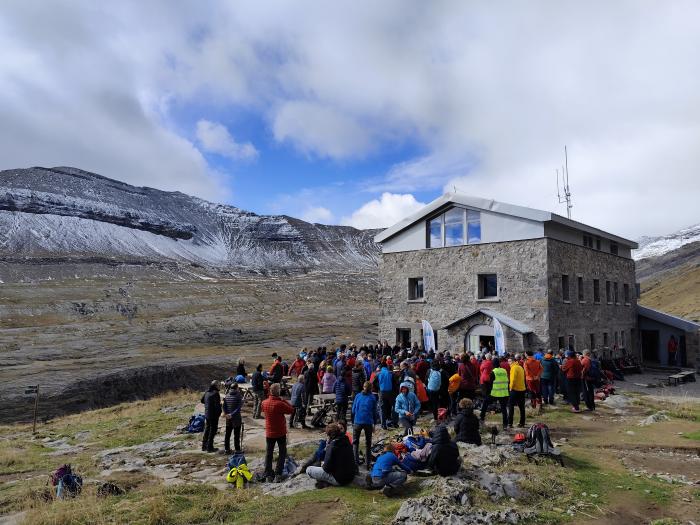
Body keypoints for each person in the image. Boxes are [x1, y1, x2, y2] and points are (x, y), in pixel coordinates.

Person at [261, 383, 294, 482]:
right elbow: (291, 410)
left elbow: (263, 411)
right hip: (280, 432)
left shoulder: (264, 402)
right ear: (278, 392)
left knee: (269, 453)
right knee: (282, 452)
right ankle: (278, 474)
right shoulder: (280, 403)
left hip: (269, 432)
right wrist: (283, 399)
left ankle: (268, 474)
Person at [305, 423, 356, 487]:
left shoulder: (332, 445)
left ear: (330, 435)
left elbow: (326, 468)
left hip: (340, 480)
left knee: (309, 469)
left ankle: (327, 482)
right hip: (350, 476)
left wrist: (327, 446)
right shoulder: (346, 439)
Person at [351, 381, 378, 468]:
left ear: (363, 387)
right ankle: (368, 463)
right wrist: (374, 423)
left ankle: (355, 462)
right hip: (368, 422)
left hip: (357, 421)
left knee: (355, 443)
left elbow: (353, 410)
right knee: (368, 443)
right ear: (371, 388)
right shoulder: (373, 397)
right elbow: (375, 412)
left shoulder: (358, 396)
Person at [481, 357, 509, 429]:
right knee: (504, 409)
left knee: (485, 403)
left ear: (493, 364)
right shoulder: (504, 371)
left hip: (495, 393)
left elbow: (490, 383)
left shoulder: (493, 372)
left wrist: (488, 391)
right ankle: (505, 425)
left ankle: (482, 417)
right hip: (504, 392)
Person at [201, 380, 222, 452]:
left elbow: (202, 400)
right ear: (215, 386)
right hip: (213, 415)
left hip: (207, 413)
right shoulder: (216, 393)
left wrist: (208, 404)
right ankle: (210, 447)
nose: (220, 387)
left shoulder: (207, 391)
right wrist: (219, 413)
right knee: (212, 431)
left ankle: (204, 446)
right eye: (219, 385)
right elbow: (217, 406)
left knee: (207, 429)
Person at [222, 382, 243, 454]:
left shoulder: (227, 395)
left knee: (227, 434)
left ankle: (226, 449)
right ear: (237, 388)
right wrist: (232, 414)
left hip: (228, 418)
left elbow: (224, 406)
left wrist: (226, 414)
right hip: (236, 418)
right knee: (236, 435)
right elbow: (238, 408)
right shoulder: (238, 396)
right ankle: (237, 450)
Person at [508, 355, 526, 428]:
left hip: (515, 389)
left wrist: (510, 388)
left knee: (511, 406)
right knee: (522, 407)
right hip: (522, 389)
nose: (508, 363)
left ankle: (510, 423)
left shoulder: (513, 368)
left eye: (509, 361)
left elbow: (512, 380)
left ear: (513, 361)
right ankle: (522, 422)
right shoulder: (520, 367)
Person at [377, 363, 395, 429]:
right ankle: (391, 421)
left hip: (382, 392)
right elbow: (394, 382)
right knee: (390, 407)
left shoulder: (379, 373)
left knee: (382, 409)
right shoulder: (390, 373)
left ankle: (383, 425)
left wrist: (378, 388)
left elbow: (374, 382)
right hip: (390, 392)